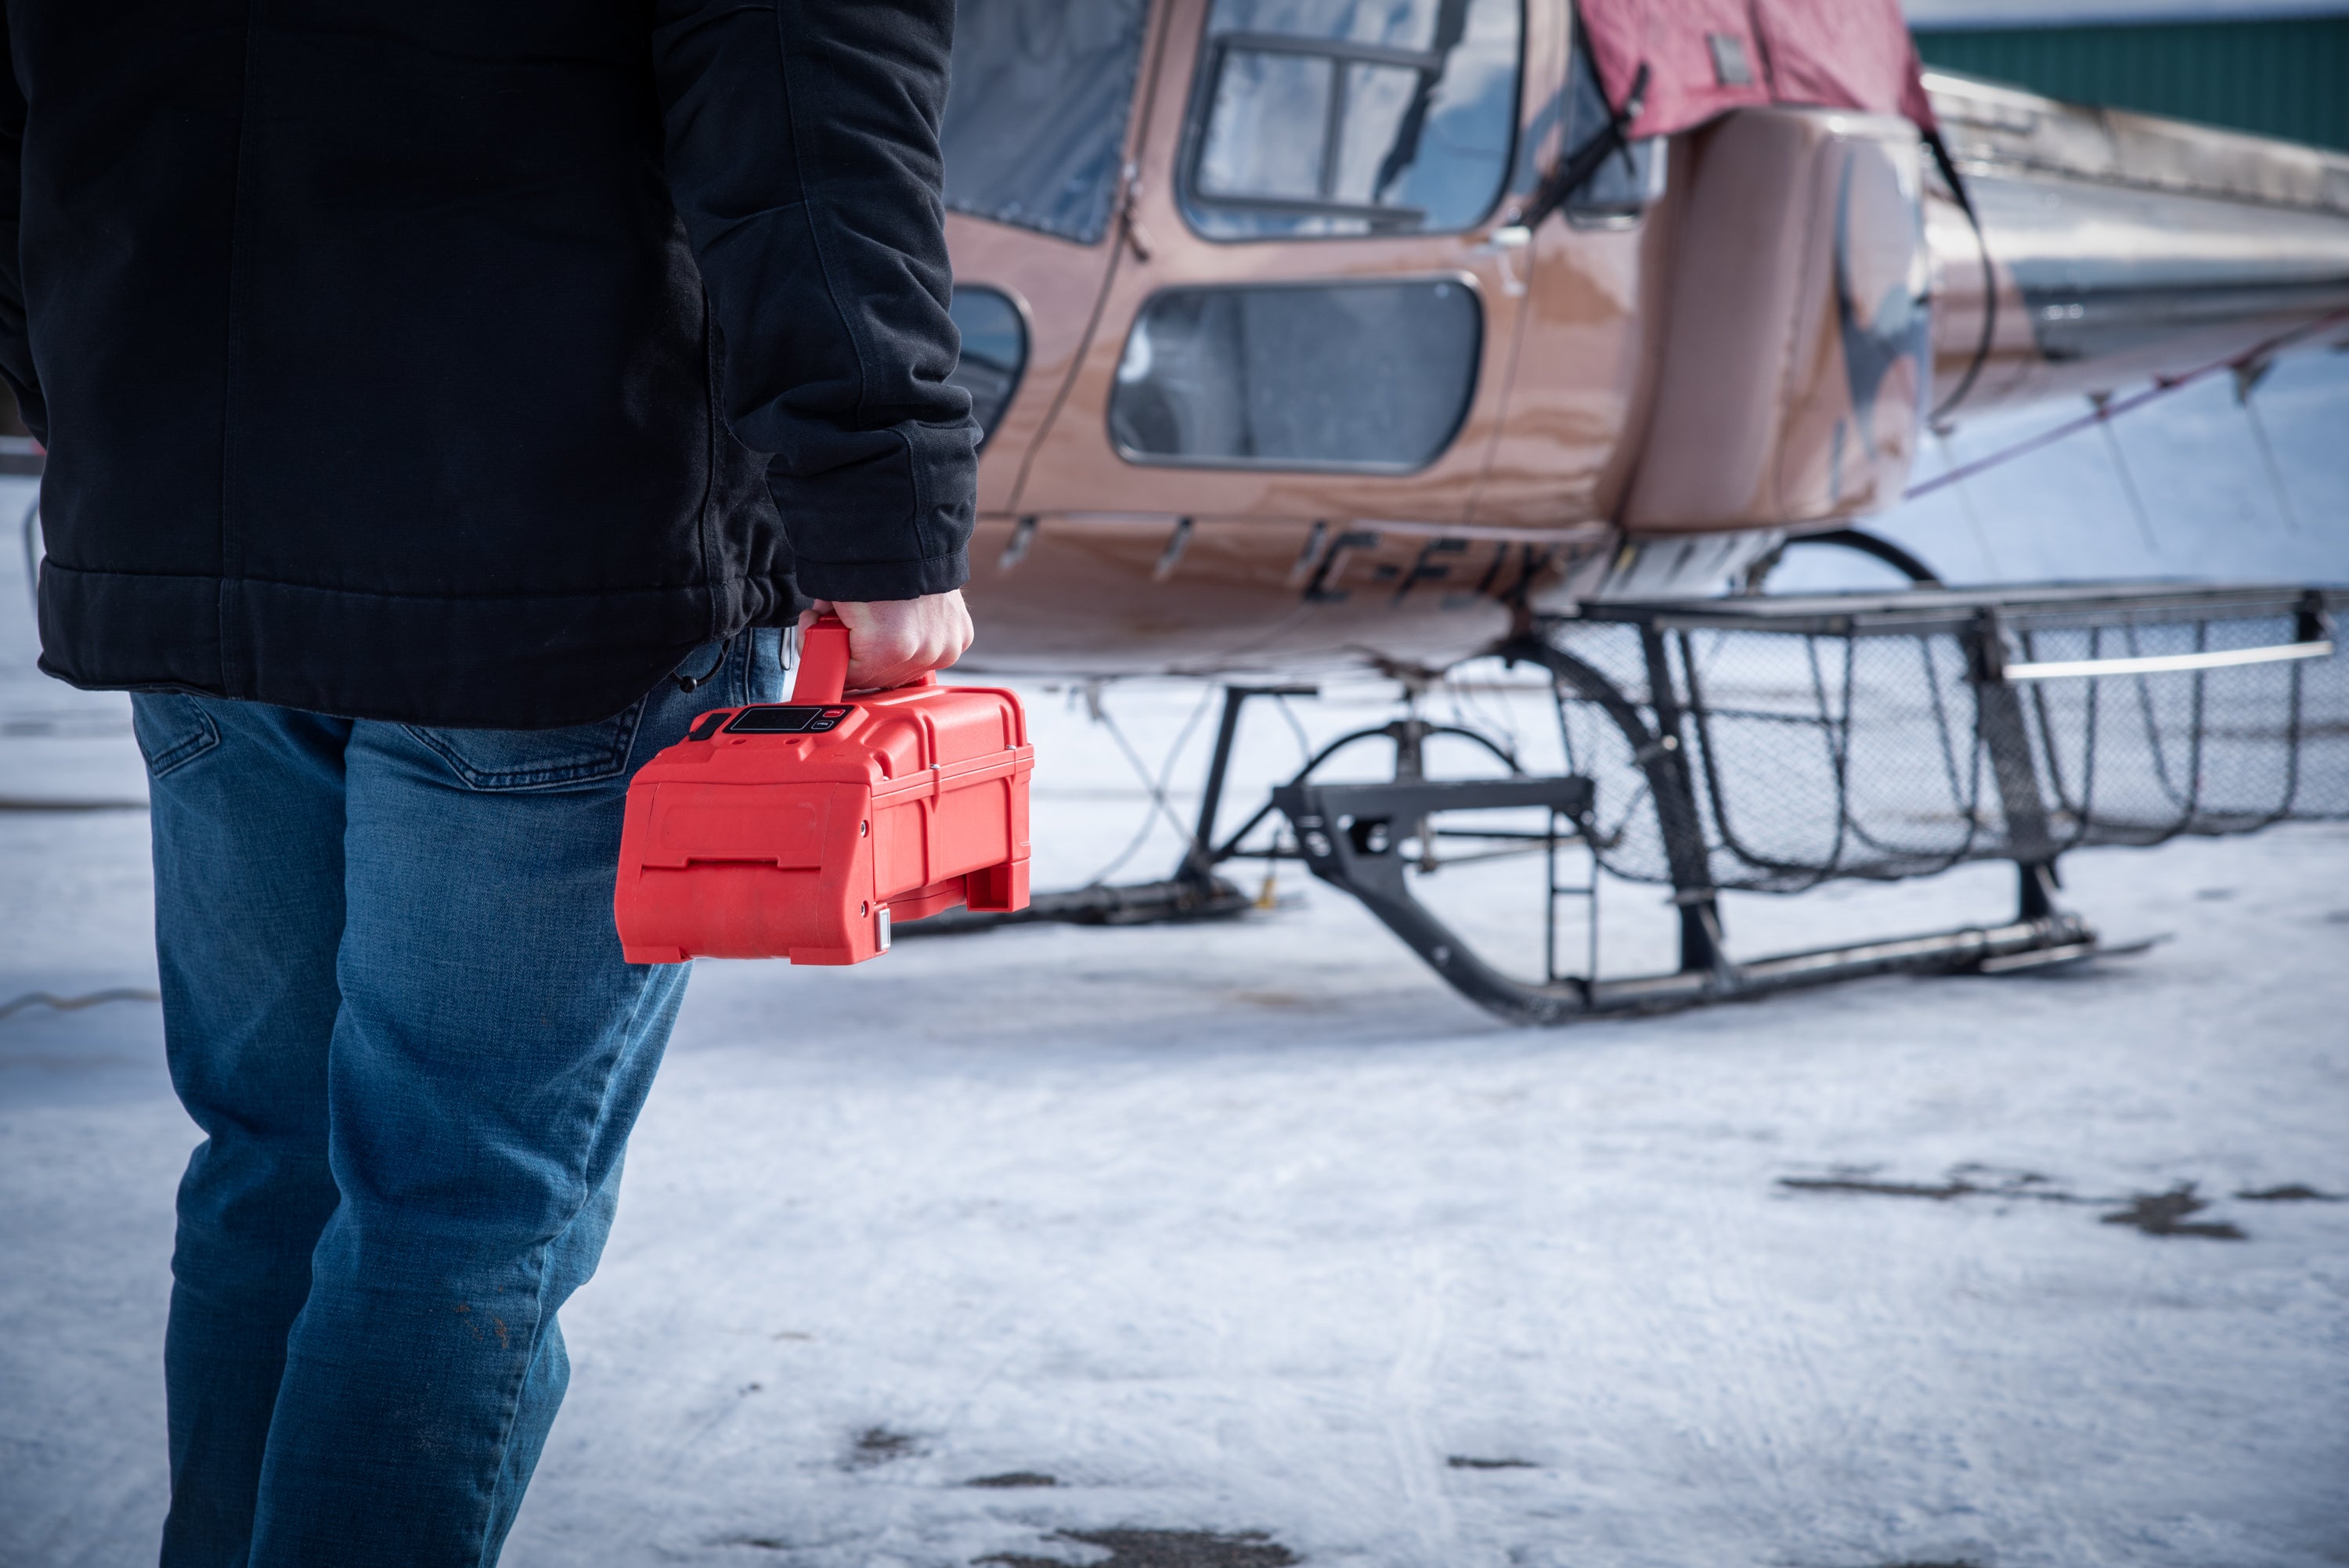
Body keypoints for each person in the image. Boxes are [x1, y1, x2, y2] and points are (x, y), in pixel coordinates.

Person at [0, 4, 977, 1563]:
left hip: (186, 527)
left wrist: (90, 399)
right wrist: (887, 513)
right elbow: (810, 117)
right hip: (552, 567)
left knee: (276, 1163)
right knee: (450, 1200)